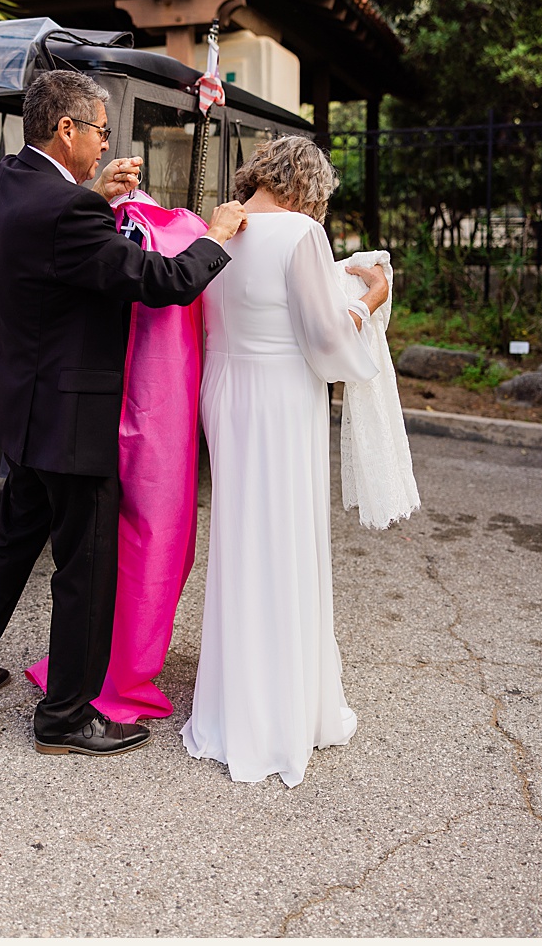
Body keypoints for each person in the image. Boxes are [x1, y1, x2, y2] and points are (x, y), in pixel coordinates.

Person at [0, 68, 248, 757]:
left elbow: (54, 244)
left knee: (13, 540)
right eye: (100, 130)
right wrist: (214, 236)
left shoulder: (5, 185)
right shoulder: (67, 211)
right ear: (66, 128)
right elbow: (163, 282)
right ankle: (65, 718)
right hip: (70, 421)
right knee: (85, 567)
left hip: (22, 405)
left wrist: (95, 198)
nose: (105, 144)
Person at [179, 136, 390, 787]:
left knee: (241, 543)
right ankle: (281, 714)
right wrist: (371, 298)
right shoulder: (300, 232)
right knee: (286, 542)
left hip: (225, 390)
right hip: (278, 399)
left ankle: (230, 707)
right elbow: (325, 335)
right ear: (309, 187)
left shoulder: (226, 223)